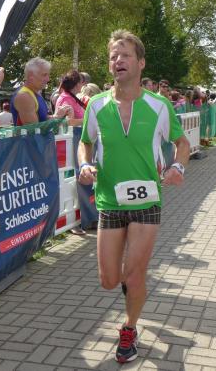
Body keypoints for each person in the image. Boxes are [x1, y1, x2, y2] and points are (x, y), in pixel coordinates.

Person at [78, 30, 190, 364]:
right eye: (113, 56)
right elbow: (86, 142)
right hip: (110, 201)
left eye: (125, 55)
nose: (118, 61)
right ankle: (131, 288)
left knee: (134, 274)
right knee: (109, 280)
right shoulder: (96, 105)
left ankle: (129, 327)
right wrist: (85, 164)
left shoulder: (159, 105)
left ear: (140, 63)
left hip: (147, 201)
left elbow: (181, 144)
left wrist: (178, 168)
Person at [10, 57, 71, 125]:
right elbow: (34, 128)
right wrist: (56, 118)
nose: (48, 79)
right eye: (44, 75)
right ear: (31, 77)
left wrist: (56, 116)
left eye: (48, 75)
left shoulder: (35, 93)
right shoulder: (24, 96)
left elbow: (42, 119)